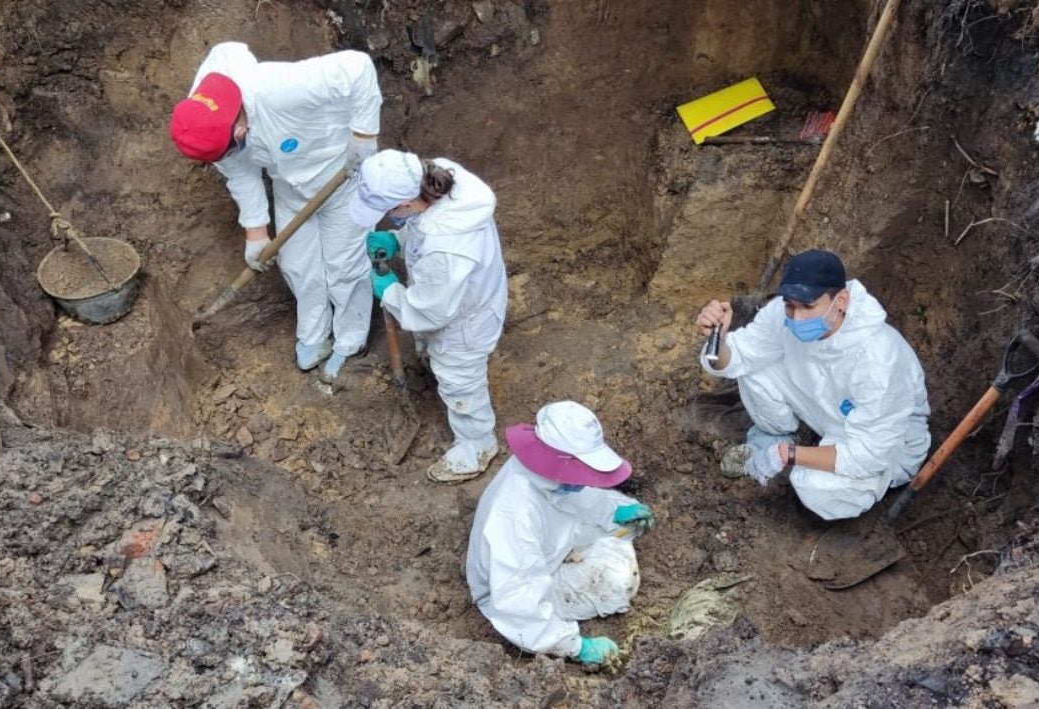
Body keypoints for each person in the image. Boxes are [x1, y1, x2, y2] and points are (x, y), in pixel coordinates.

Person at [169, 42, 381, 380]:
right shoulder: (203, 124)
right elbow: (240, 173)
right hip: (290, 186)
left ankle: (349, 339)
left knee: (344, 264)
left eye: (237, 134)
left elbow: (358, 67)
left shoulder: (279, 87)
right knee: (298, 265)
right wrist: (255, 231)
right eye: (232, 143)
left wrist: (363, 134)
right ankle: (313, 335)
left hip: (343, 174)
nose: (239, 138)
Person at [696, 250, 931, 520]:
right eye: (790, 305)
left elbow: (866, 454)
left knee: (811, 484)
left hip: (887, 447)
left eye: (808, 307)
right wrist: (719, 339)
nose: (796, 317)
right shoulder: (784, 315)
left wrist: (789, 455)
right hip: (830, 409)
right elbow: (740, 357)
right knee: (754, 368)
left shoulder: (877, 358)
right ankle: (776, 435)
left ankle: (856, 487)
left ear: (841, 300)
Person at [350, 150, 508, 483]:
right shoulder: (439, 177)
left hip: (464, 322)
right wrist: (396, 238)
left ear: (405, 203)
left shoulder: (445, 249)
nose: (386, 217)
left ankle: (477, 445)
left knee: (459, 381)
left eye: (387, 212)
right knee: (435, 346)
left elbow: (427, 312)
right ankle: (430, 358)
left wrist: (390, 290)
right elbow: (422, 223)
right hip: (457, 292)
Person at [466, 401, 655, 666]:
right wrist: (575, 647)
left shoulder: (549, 478)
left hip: (552, 553)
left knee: (619, 543)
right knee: (617, 582)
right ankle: (552, 632)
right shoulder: (515, 511)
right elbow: (517, 596)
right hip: (506, 592)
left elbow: (582, 500)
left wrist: (617, 511)